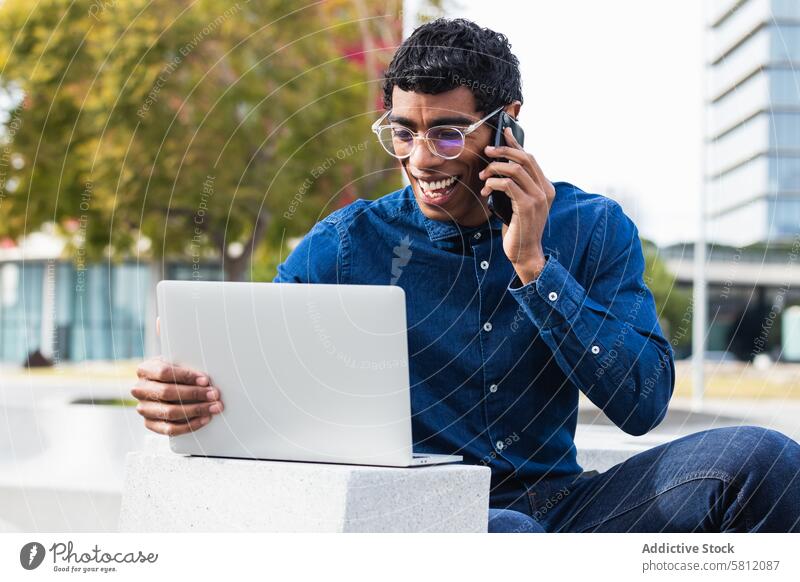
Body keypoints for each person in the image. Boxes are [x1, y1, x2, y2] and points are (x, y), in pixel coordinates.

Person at [131, 18, 800, 532]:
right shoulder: (343, 247)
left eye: (448, 133)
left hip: (562, 508)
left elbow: (644, 405)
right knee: (505, 537)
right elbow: (262, 378)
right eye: (402, 133)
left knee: (764, 462)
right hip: (418, 522)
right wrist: (186, 398)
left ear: (507, 123)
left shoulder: (592, 228)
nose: (421, 158)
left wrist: (536, 268)